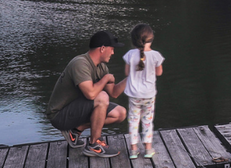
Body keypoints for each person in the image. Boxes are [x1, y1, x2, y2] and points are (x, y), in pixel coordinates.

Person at [47, 31, 128, 158]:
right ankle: (94, 144)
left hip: (76, 111)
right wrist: (106, 79)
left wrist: (132, 77)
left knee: (120, 113)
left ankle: (76, 131)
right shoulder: (80, 63)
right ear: (102, 48)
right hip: (59, 115)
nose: (113, 53)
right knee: (102, 97)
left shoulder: (102, 68)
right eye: (112, 49)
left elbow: (114, 93)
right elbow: (91, 94)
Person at [122, 23, 164, 159]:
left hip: (134, 95)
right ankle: (148, 149)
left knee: (133, 121)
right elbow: (159, 73)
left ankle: (133, 150)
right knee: (147, 121)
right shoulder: (156, 55)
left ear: (134, 40)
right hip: (149, 95)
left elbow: (127, 72)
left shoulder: (129, 54)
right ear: (151, 39)